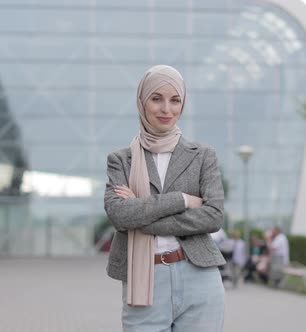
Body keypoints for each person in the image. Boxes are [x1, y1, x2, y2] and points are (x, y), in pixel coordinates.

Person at [104, 65, 226, 331]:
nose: (166, 109)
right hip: (143, 280)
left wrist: (142, 214)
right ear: (142, 101)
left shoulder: (202, 155)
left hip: (199, 275)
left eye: (175, 100)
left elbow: (213, 216)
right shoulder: (121, 160)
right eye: (156, 98)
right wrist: (182, 199)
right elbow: (119, 215)